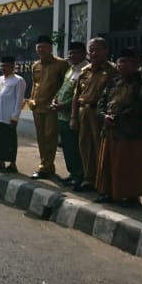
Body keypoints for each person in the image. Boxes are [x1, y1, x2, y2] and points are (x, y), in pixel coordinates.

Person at [94, 48, 142, 207]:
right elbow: (102, 101)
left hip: (131, 131)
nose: (123, 65)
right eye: (120, 62)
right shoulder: (113, 81)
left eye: (127, 62)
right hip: (110, 128)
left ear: (135, 65)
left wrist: (118, 118)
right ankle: (110, 193)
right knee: (108, 163)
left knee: (129, 164)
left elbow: (141, 105)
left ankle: (131, 196)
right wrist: (104, 115)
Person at [71, 37, 117, 192]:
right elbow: (76, 95)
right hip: (83, 111)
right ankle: (88, 178)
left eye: (97, 49)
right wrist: (73, 117)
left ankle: (102, 181)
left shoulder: (112, 71)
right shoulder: (85, 71)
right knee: (85, 145)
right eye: (91, 50)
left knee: (100, 147)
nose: (94, 53)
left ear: (105, 51)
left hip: (99, 112)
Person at [28, 35, 70, 179]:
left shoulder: (61, 64)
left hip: (52, 107)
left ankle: (45, 167)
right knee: (41, 138)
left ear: (50, 47)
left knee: (50, 137)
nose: (41, 49)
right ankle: (46, 165)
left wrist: (58, 101)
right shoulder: (35, 65)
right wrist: (31, 100)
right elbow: (35, 84)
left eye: (44, 46)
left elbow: (66, 85)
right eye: (39, 47)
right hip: (37, 106)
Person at [51, 41, 88, 187]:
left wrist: (64, 105)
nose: (71, 56)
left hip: (75, 115)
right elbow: (63, 87)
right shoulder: (70, 69)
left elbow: (80, 95)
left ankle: (81, 174)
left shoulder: (86, 70)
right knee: (67, 146)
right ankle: (72, 173)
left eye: (75, 53)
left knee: (76, 147)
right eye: (70, 53)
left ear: (83, 53)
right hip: (62, 115)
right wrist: (55, 100)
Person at [0, 56, 27, 173]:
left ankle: (12, 164)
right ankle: (0, 162)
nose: (3, 68)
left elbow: (19, 100)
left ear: (13, 66)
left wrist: (15, 116)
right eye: (2, 66)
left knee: (9, 140)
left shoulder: (18, 81)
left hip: (7, 116)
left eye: (6, 66)